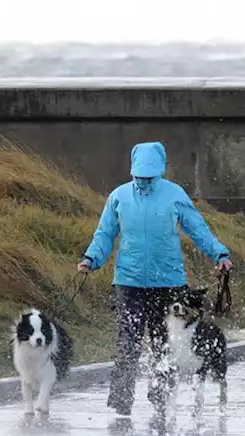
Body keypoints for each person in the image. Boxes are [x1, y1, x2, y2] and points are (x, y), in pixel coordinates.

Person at [77, 141, 233, 419]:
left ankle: (161, 399)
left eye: (149, 175)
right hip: (129, 282)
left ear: (159, 172)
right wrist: (91, 260)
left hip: (168, 284)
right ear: (133, 171)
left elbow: (197, 228)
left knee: (164, 343)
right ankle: (122, 400)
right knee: (129, 340)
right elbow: (104, 233)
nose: (144, 180)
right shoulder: (119, 197)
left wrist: (219, 253)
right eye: (140, 175)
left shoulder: (174, 195)